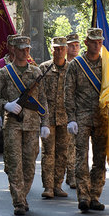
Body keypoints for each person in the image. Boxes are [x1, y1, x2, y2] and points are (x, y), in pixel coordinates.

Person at [0, 36, 49, 215]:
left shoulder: (37, 73)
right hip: (13, 124)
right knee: (14, 164)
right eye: (22, 48)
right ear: (13, 49)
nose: (25, 52)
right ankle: (19, 202)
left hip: (32, 125)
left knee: (29, 165)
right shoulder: (4, 73)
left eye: (28, 49)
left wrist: (45, 123)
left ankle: (23, 194)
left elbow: (43, 99)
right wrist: (5, 105)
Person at [64, 28, 109, 212]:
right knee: (81, 158)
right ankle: (83, 196)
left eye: (99, 42)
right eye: (93, 41)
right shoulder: (76, 65)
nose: (97, 45)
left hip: (101, 119)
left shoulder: (107, 64)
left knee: (100, 159)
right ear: (86, 43)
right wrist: (71, 119)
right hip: (81, 118)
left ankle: (95, 195)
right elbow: (68, 93)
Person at [39, 37, 70, 199]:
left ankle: (58, 184)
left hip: (65, 118)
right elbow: (39, 94)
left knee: (62, 153)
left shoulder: (72, 69)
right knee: (48, 153)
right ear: (51, 49)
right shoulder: (43, 68)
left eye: (61, 48)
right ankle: (48, 186)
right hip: (48, 118)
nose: (58, 51)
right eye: (56, 48)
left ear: (66, 50)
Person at [65, 33, 82, 188]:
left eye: (77, 45)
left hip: (79, 112)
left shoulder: (82, 66)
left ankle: (72, 176)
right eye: (71, 45)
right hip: (62, 112)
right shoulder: (61, 65)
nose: (74, 48)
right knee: (63, 147)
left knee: (75, 146)